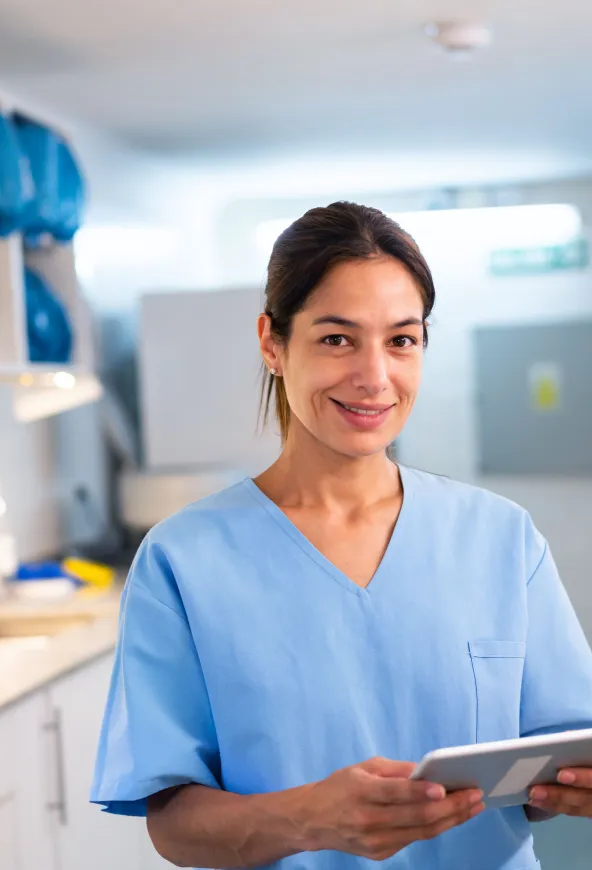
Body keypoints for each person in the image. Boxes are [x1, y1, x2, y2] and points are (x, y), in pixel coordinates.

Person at [90, 202, 592, 870]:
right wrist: (309, 820)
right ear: (272, 343)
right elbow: (173, 824)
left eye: (401, 340)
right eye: (336, 339)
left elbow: (552, 759)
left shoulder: (502, 538)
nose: (375, 377)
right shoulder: (183, 561)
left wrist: (566, 788)